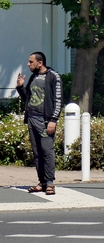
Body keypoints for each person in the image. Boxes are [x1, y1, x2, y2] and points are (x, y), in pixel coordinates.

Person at [16, 51, 62, 195]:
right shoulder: (33, 77)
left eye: (31, 62)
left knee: (47, 151)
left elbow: (58, 100)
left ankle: (49, 183)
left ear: (40, 63)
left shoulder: (53, 77)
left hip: (45, 120)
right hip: (32, 119)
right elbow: (28, 99)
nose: (28, 64)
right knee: (37, 153)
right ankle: (41, 182)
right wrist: (20, 87)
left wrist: (53, 120)